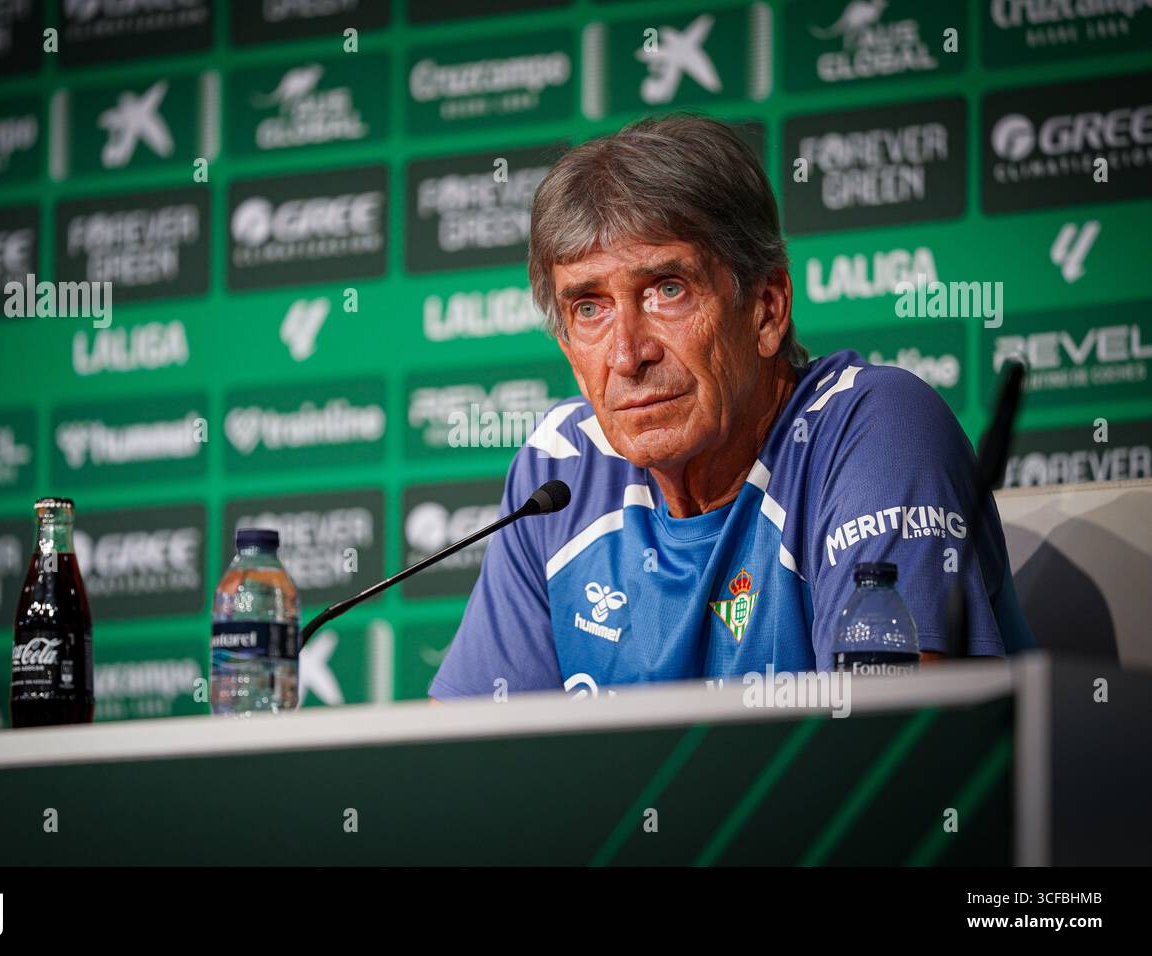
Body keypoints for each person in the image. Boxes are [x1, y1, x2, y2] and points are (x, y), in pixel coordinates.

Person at [430, 114, 1034, 700]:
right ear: (568, 348)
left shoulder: (876, 429)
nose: (627, 355)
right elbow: (470, 753)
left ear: (766, 309)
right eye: (590, 307)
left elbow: (887, 747)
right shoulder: (560, 467)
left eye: (668, 290)